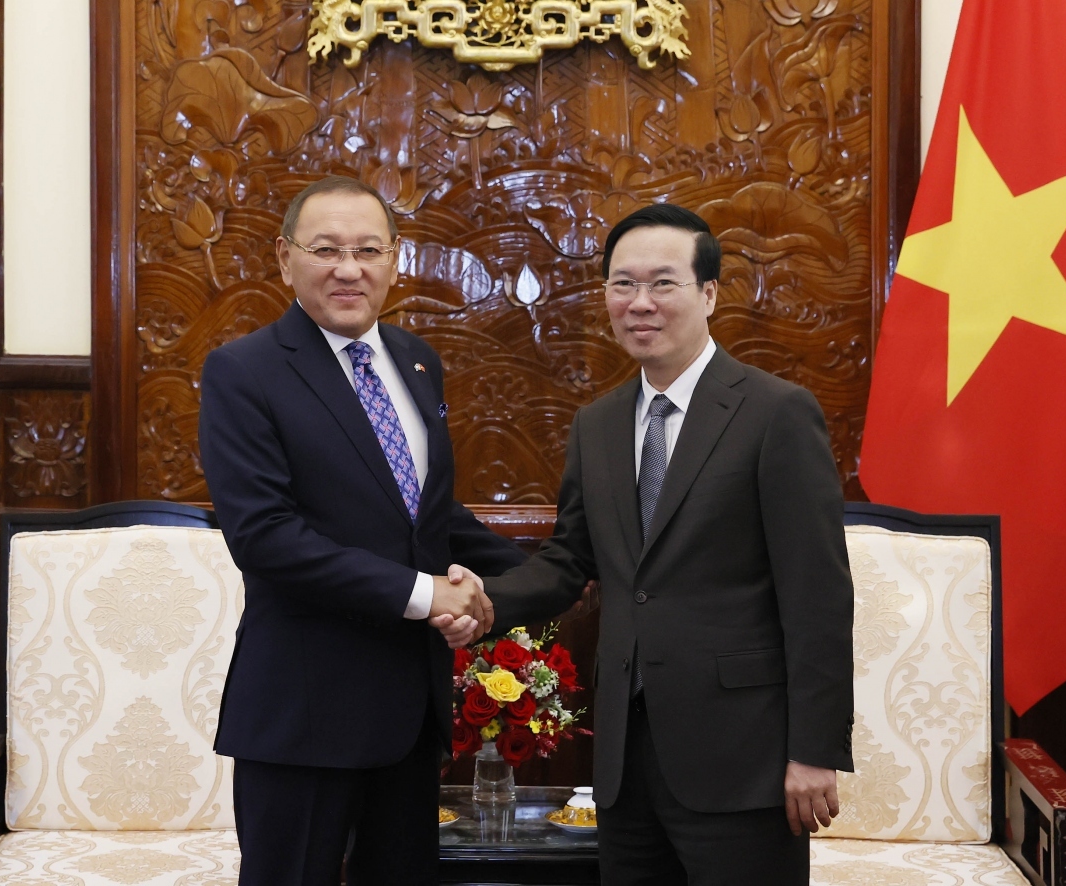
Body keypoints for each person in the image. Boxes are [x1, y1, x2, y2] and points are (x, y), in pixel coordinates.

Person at [461, 204, 855, 885]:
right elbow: (569, 562)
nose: (639, 303)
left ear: (708, 293)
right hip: (625, 758)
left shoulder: (775, 413)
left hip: (744, 758)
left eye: (663, 283)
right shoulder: (598, 423)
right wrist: (478, 600)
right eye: (622, 284)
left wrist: (814, 751)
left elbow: (818, 594)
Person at [199, 175, 526, 886]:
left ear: (394, 259)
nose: (349, 268)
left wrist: (553, 570)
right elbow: (265, 536)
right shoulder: (243, 372)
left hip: (408, 715)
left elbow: (426, 515)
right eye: (326, 249)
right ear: (285, 260)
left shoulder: (416, 362)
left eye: (368, 249)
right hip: (303, 717)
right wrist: (424, 593)